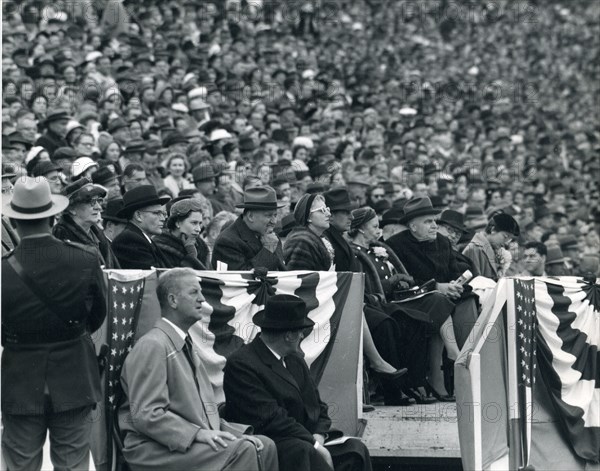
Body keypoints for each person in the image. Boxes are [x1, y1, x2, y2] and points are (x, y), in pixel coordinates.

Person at [118, 268, 278, 471]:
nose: (202, 299)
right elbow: (147, 414)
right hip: (153, 449)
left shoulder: (184, 343)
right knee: (244, 450)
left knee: (266, 445)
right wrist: (197, 434)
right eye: (194, 292)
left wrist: (233, 432)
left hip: (185, 442)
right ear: (173, 300)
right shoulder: (153, 345)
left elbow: (201, 414)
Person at [1, 176, 106, 471]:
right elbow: (98, 314)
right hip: (74, 373)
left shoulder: (3, 270)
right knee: (72, 464)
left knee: (21, 465)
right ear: (53, 215)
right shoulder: (84, 258)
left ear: (14, 220)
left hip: (20, 377)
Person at [223, 294, 372, 471]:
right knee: (303, 453)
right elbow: (271, 419)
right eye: (300, 331)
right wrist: (315, 445)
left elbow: (318, 406)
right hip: (271, 443)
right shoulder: (242, 364)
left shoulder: (295, 360)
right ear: (288, 335)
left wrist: (319, 436)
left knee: (355, 451)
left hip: (306, 439)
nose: (302, 335)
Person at [349, 207, 455, 403]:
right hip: (377, 303)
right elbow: (366, 287)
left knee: (420, 320)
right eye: (374, 226)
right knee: (401, 321)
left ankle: (416, 381)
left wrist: (403, 280)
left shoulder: (378, 250)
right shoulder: (353, 253)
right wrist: (393, 282)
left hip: (397, 299)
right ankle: (400, 386)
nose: (379, 230)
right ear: (362, 229)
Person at [212, 186, 285, 271]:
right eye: (268, 215)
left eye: (275, 215)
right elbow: (246, 279)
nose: (274, 221)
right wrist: (268, 250)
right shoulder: (227, 242)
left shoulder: (273, 237)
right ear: (250, 216)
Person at [52, 178, 120, 268]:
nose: (98, 207)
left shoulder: (97, 233)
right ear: (72, 209)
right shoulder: (61, 234)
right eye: (91, 202)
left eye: (99, 201)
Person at [112, 185, 171, 269]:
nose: (163, 219)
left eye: (163, 214)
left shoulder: (142, 238)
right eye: (156, 213)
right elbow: (153, 277)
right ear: (138, 215)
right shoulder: (129, 240)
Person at [462, 212, 520, 281]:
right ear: (493, 230)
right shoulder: (474, 249)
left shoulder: (496, 251)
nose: (507, 243)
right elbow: (474, 283)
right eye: (505, 237)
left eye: (510, 240)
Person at [284, 193, 335, 270]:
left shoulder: (319, 239)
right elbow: (300, 279)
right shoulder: (301, 242)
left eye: (327, 209)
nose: (329, 214)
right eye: (322, 210)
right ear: (308, 217)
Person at [153, 198, 208, 269]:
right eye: (194, 223)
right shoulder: (160, 247)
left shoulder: (201, 245)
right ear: (178, 223)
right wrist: (192, 256)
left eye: (200, 223)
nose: (198, 229)